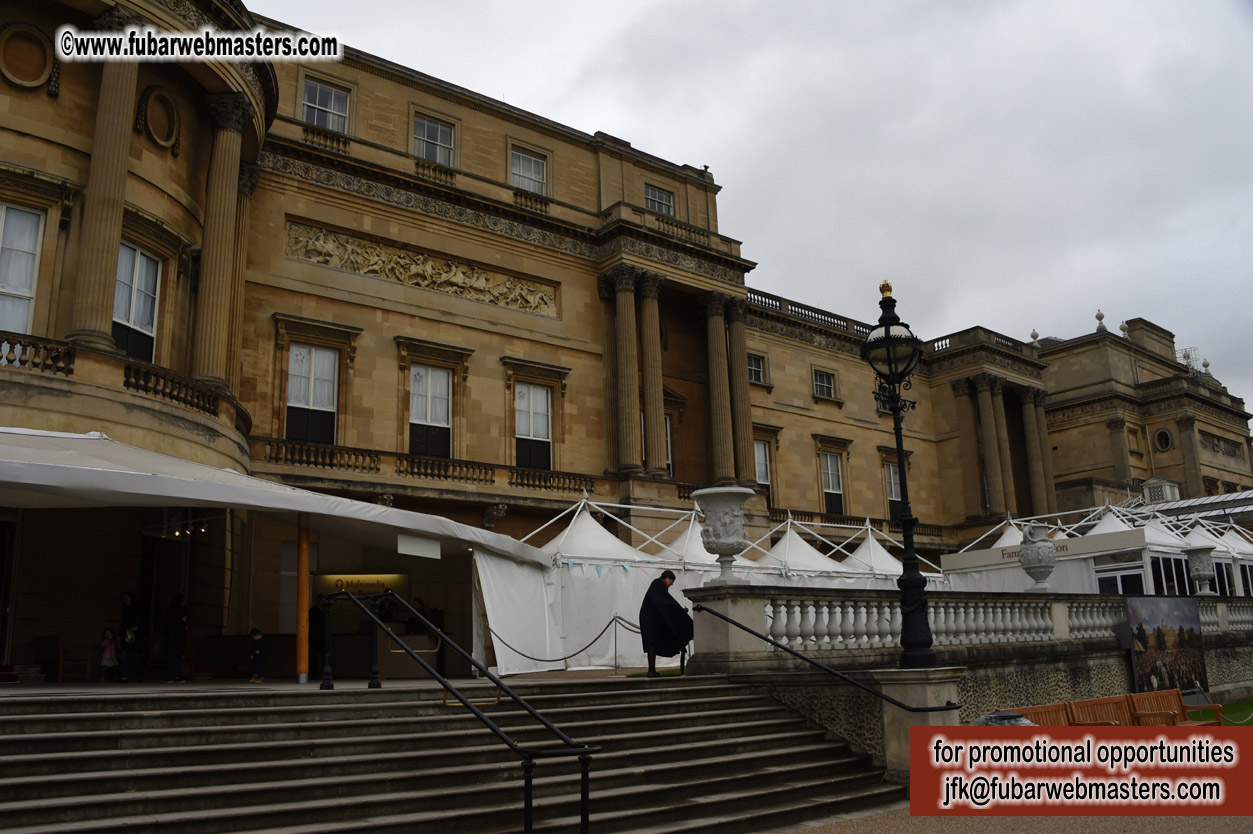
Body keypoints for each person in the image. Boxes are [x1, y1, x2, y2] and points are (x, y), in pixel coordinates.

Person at [639, 569, 693, 677]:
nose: (671, 584)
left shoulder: (658, 586)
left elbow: (665, 603)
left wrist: (678, 610)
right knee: (651, 644)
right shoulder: (658, 584)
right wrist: (679, 610)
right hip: (650, 621)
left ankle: (652, 670)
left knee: (652, 644)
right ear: (667, 578)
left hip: (651, 620)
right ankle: (651, 671)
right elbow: (665, 602)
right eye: (672, 582)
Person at [119, 591, 143, 682]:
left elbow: (141, 623)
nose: (126, 601)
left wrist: (136, 628)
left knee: (137, 657)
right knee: (125, 655)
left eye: (127, 599)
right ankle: (124, 675)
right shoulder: (124, 610)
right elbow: (123, 624)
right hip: (126, 634)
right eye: (124, 599)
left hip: (135, 635)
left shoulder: (137, 610)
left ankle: (139, 675)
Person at [163, 596, 188, 683]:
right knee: (175, 657)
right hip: (175, 638)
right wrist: (182, 621)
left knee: (173, 657)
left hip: (173, 638)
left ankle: (172, 676)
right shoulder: (177, 611)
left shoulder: (172, 610)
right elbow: (177, 623)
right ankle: (174, 675)